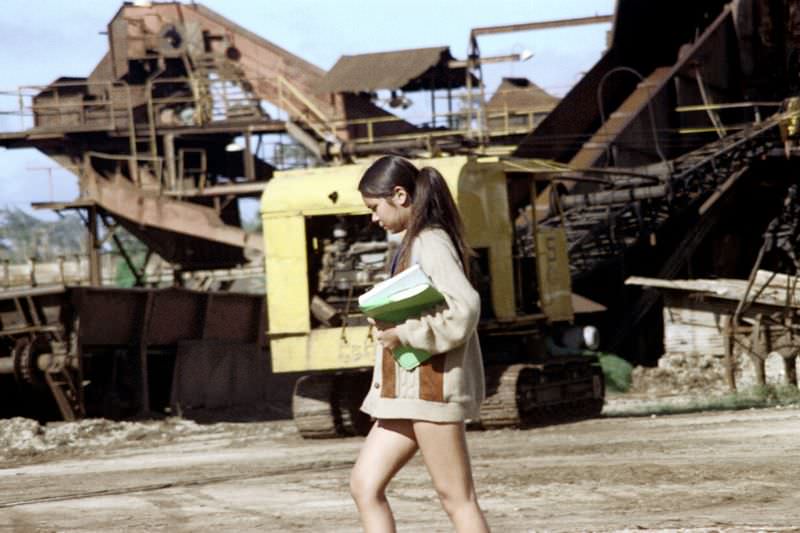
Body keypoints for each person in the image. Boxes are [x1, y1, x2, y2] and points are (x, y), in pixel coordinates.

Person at [350, 155, 490, 533]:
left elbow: (465, 308)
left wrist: (406, 333)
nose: (373, 218)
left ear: (400, 195)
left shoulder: (431, 241)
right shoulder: (410, 243)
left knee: (456, 499)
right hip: (404, 391)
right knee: (364, 486)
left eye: (375, 207)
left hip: (431, 390)